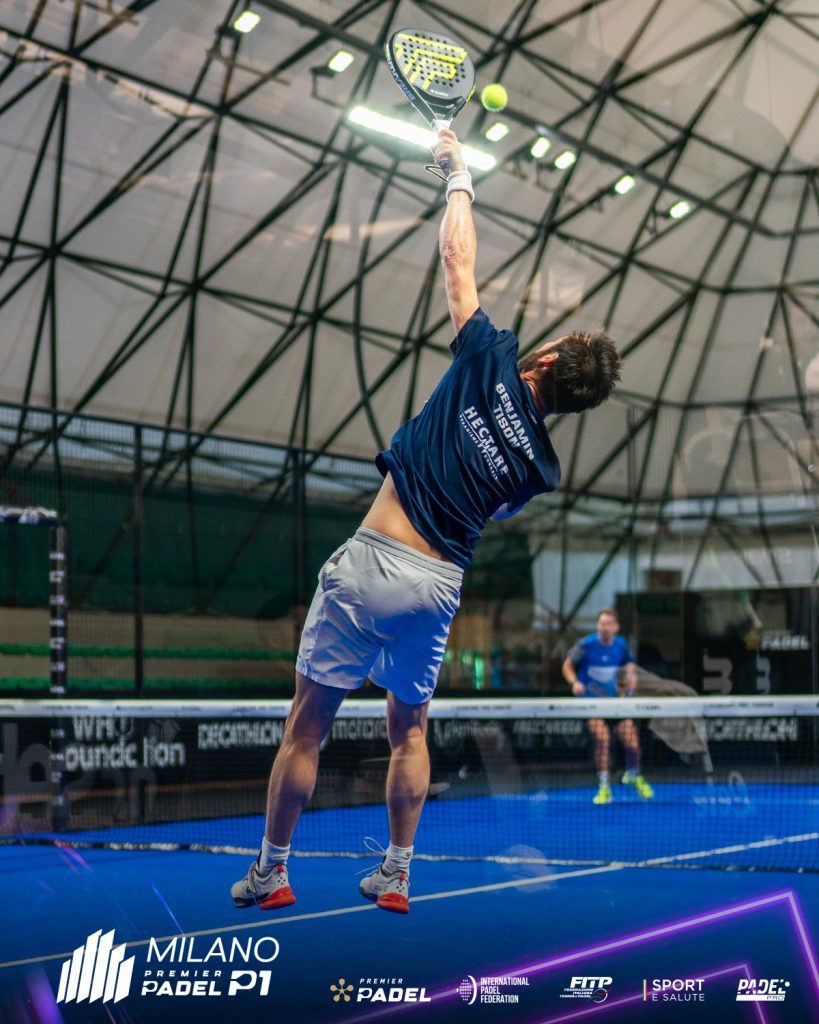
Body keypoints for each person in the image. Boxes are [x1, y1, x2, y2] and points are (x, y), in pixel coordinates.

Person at [231, 129, 622, 915]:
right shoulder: (541, 470)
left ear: (547, 362)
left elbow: (455, 260)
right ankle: (397, 872)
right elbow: (493, 505)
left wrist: (458, 175)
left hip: (372, 560)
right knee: (408, 731)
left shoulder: (489, 355)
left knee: (305, 727)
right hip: (438, 587)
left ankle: (271, 872)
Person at [561, 608, 654, 804]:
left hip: (615, 704)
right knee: (603, 740)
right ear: (598, 626)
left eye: (609, 624)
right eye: (602, 623)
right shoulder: (586, 644)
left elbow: (630, 668)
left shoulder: (621, 645)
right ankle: (604, 786)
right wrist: (574, 683)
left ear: (616, 627)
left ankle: (633, 775)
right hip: (592, 705)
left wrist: (630, 685)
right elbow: (567, 665)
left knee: (633, 744)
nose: (606, 627)